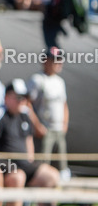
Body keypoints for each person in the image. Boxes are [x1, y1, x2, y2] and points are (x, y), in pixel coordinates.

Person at [28, 48, 70, 180]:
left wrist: (65, 124)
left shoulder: (60, 81)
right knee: (42, 164)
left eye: (60, 60)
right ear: (45, 61)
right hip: (45, 130)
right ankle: (35, 196)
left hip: (59, 130)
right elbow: (27, 104)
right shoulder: (37, 80)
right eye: (55, 60)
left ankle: (64, 196)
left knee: (62, 163)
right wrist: (37, 125)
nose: (58, 64)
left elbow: (64, 104)